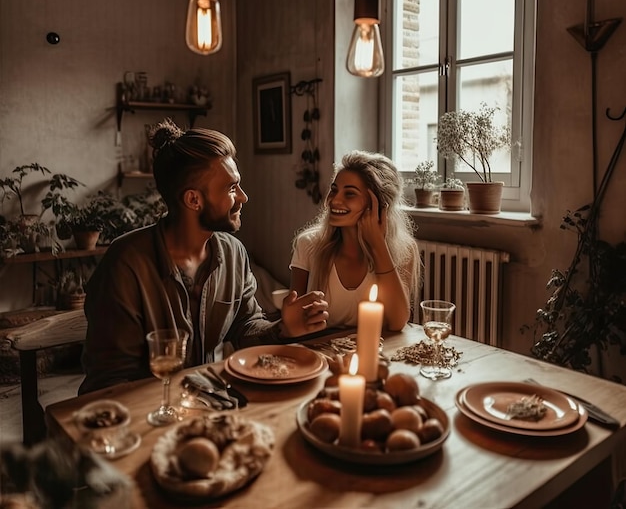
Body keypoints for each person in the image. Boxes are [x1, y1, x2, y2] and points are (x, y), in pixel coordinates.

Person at [79, 119, 328, 394]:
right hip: (147, 413)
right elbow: (110, 379)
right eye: (232, 188)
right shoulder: (125, 263)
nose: (243, 198)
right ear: (193, 200)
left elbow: (245, 326)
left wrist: (283, 329)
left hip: (209, 400)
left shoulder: (234, 253)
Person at [290, 151, 420, 332]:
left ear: (378, 206)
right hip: (324, 354)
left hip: (379, 353)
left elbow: (397, 322)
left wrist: (378, 245)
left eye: (349, 194)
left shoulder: (405, 249)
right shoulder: (308, 244)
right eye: (334, 190)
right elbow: (293, 323)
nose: (334, 200)